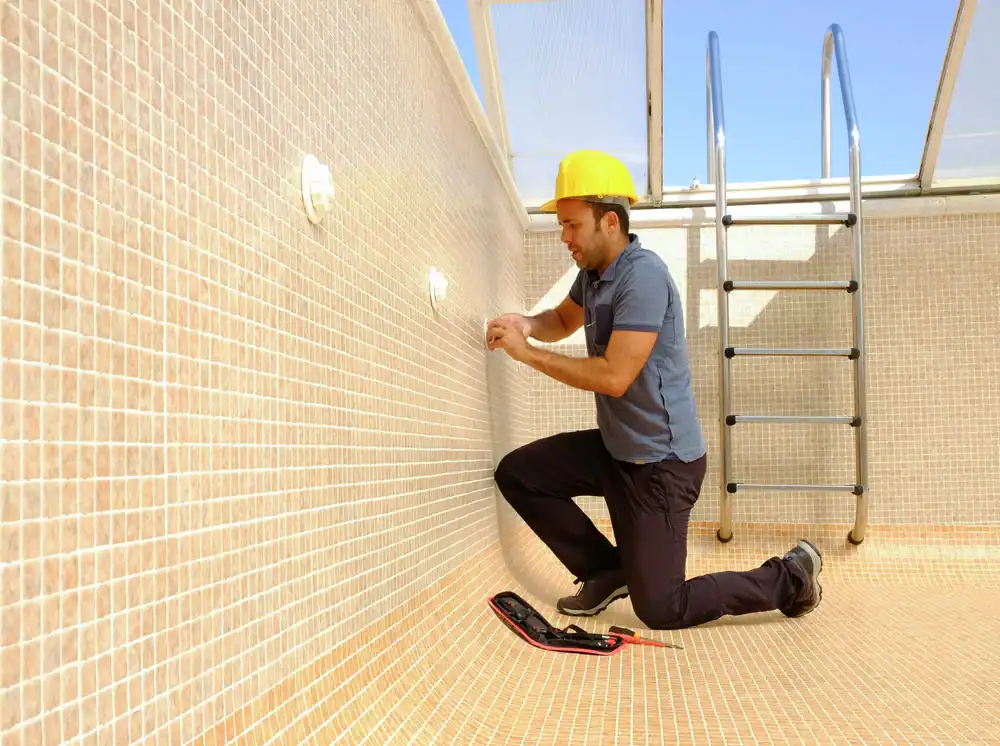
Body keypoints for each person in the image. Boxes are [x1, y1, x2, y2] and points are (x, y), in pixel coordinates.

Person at [486, 150, 823, 630]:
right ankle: (606, 571)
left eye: (571, 225)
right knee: (520, 474)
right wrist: (527, 323)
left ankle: (790, 577)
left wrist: (528, 354)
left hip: (660, 468)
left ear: (608, 221)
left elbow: (613, 376)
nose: (564, 237)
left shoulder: (642, 277)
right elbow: (561, 319)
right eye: (561, 224)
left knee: (663, 609)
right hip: (617, 450)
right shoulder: (595, 274)